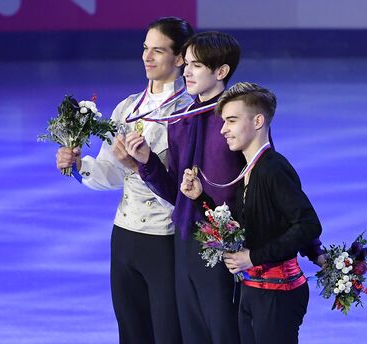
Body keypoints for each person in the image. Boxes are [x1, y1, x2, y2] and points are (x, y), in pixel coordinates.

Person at [55, 17, 194, 344]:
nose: (147, 57)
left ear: (179, 59)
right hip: (125, 237)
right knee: (131, 334)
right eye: (146, 48)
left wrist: (141, 166)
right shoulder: (127, 109)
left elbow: (186, 194)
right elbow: (111, 173)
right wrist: (78, 166)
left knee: (168, 335)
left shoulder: (190, 113)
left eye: (158, 51)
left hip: (166, 240)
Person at [125, 31, 245, 344]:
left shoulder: (237, 119)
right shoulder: (181, 119)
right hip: (185, 240)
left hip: (224, 244)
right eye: (186, 63)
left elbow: (256, 185)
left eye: (196, 66)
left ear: (221, 72)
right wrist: (147, 161)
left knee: (224, 330)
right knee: (192, 332)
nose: (186, 71)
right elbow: (176, 194)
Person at [180, 82, 322, 344]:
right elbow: (240, 228)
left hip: (277, 294)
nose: (223, 129)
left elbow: (308, 225)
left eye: (231, 120)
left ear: (258, 121)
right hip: (252, 291)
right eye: (224, 121)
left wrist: (253, 257)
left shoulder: (273, 169)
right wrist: (201, 198)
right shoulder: (249, 170)